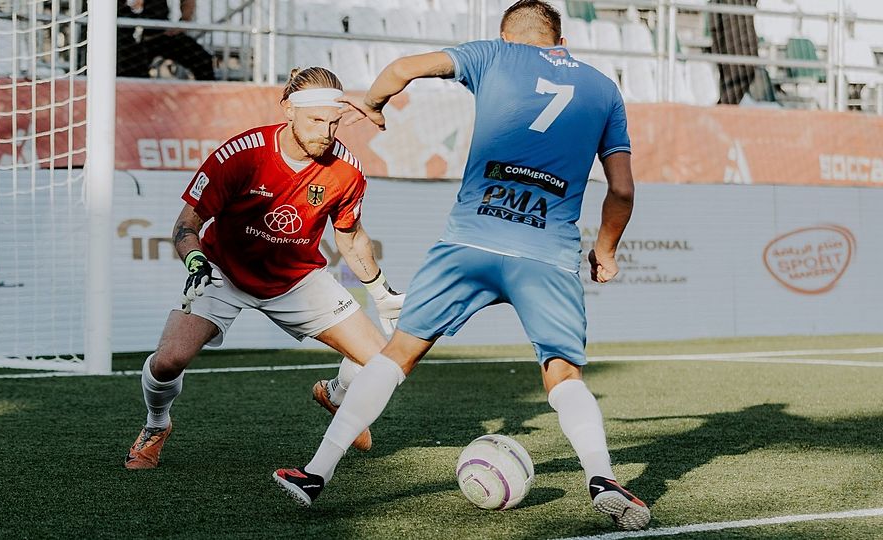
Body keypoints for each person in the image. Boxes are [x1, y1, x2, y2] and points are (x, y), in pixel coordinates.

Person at [273, 0, 650, 531]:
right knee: (562, 375)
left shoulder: (494, 55)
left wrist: (376, 105)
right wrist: (606, 250)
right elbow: (623, 189)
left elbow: (402, 70)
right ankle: (602, 479)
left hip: (470, 241)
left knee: (397, 354)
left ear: (507, 35)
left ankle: (314, 474)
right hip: (546, 252)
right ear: (558, 40)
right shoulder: (604, 89)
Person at [124, 67, 404, 469]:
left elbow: (351, 235)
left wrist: (380, 292)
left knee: (382, 362)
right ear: (288, 108)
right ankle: (156, 424)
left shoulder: (347, 171)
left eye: (334, 122)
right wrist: (195, 259)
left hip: (297, 279)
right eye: (315, 120)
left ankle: (336, 393)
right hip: (224, 271)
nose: (326, 133)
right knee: (168, 361)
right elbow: (187, 223)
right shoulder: (241, 155)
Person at [116, 0, 215, 80]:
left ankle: (210, 100)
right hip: (124, 35)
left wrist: (183, 22)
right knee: (130, 73)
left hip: (159, 34)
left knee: (203, 61)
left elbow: (188, 2)